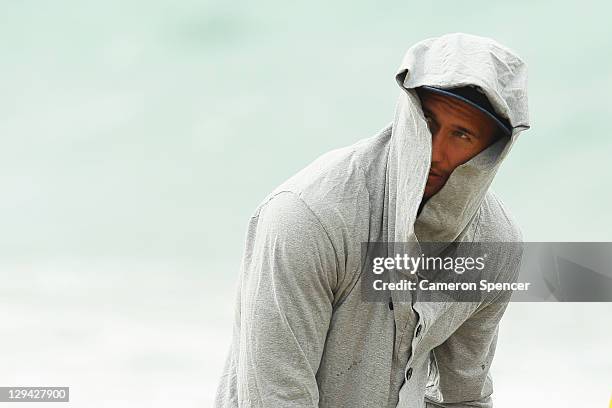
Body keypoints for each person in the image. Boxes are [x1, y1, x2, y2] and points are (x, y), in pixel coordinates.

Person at [214, 33, 530, 408]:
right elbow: (276, 396)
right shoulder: (310, 217)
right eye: (428, 123)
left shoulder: (493, 247)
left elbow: (463, 396)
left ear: (492, 151)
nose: (435, 152)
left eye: (461, 134)